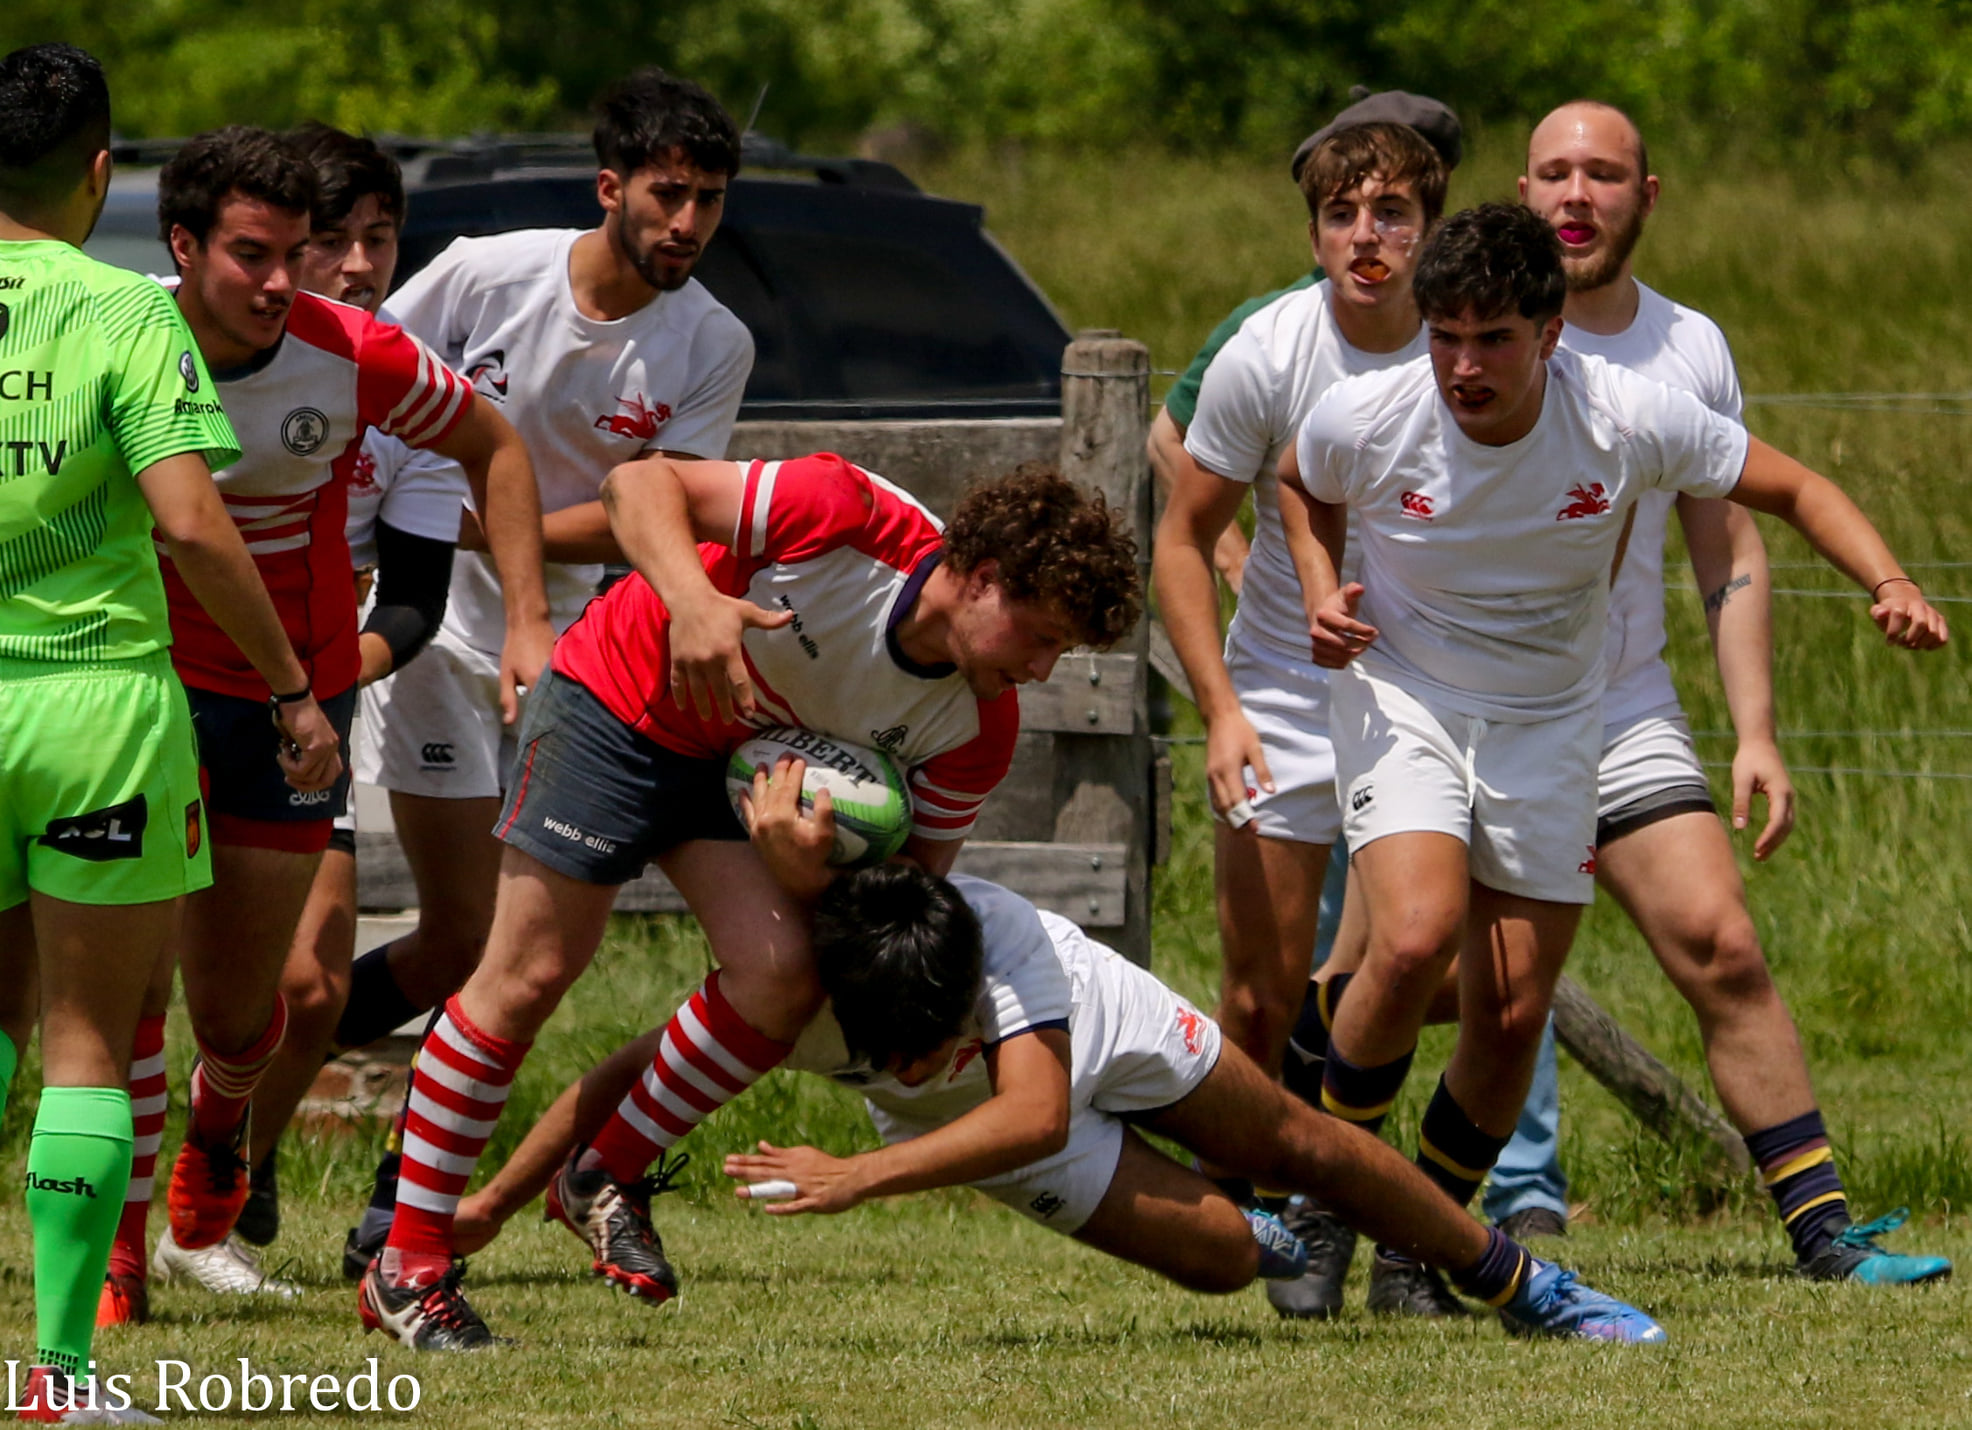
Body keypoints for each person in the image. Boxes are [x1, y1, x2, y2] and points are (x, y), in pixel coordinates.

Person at [1276, 202, 1945, 1327]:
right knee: (1409, 934)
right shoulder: (1373, 410)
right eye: (1443, 334)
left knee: (1509, 1012)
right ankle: (1320, 1204)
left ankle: (1415, 1246)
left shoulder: (1624, 412)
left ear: (1550, 336)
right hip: (1409, 696)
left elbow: (1791, 490)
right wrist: (1315, 580)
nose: (1461, 364)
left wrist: (1887, 579)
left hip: (1552, 717)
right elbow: (1301, 478)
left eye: (1492, 337)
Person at [355, 453, 1141, 1350]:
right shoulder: (851, 517)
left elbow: (902, 906)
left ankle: (599, 1176)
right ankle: (407, 1268)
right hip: (619, 700)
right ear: (984, 581)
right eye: (1039, 638)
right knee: (528, 975)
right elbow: (635, 485)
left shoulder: (977, 728)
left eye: (1061, 653)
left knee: (782, 974)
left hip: (735, 762)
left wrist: (802, 872)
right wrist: (692, 600)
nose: (1042, 671)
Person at [1467, 101, 1946, 1283]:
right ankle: (1382, 1225)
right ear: (1522, 190)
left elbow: (1727, 546)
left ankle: (1826, 1232)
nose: (1577, 194)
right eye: (1555, 173)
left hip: (1623, 706)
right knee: (1455, 989)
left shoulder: (1687, 348)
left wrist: (1757, 733)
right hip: (1464, 714)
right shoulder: (1462, 336)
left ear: (1647, 194)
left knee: (1722, 943)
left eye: (1605, 175)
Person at [118, 124, 550, 1314]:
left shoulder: (354, 357)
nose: (282, 281)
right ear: (183, 247)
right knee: (123, 989)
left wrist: (525, 620)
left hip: (291, 700)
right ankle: (114, 1259)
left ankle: (218, 1145)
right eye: (255, 255)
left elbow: (494, 444)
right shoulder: (117, 337)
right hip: (136, 686)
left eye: (295, 254)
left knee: (249, 1010)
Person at [334, 71, 759, 1267]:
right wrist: (432, 541)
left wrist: (486, 520)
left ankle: (388, 1205)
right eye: (669, 195)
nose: (688, 224)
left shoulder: (713, 341)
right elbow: (368, 378)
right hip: (437, 633)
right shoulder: (482, 272)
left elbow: (651, 514)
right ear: (610, 186)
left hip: (583, 668)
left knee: (504, 956)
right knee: (463, 939)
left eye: (711, 201)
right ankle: (274, 1062)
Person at [0, 42, 337, 1422]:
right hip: (94, 708)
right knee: (89, 1036)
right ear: (100, 172)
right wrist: (290, 686)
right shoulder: (125, 315)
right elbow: (194, 520)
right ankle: (59, 1378)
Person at [1149, 114, 1449, 1318]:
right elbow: (1178, 536)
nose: (1366, 238)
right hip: (1276, 688)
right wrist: (1221, 709)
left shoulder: (1470, 338)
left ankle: (1345, 1198)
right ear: (1314, 230)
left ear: (1429, 225)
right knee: (1259, 996)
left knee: (1404, 962)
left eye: (1390, 215)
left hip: (1419, 689)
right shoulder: (1266, 350)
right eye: (1341, 215)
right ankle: (1258, 1200)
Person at [210, 124, 473, 1270]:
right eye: (333, 241)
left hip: (313, 689)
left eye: (382, 237)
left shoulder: (397, 383)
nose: (362, 265)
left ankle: (229, 1178)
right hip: (163, 675)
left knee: (311, 982)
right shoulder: (184, 349)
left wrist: (316, 685)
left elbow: (414, 599)